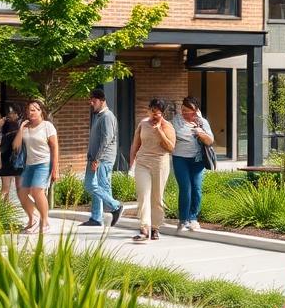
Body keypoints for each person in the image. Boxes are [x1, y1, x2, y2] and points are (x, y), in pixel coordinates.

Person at [128, 98, 175, 243]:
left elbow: (171, 147)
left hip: (160, 163)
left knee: (157, 198)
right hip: (142, 163)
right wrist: (132, 163)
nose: (154, 115)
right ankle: (144, 228)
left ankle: (155, 228)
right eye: (152, 111)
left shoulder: (168, 126)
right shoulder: (142, 124)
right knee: (143, 195)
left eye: (158, 113)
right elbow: (135, 144)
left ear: (163, 114)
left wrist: (159, 131)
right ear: (149, 110)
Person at [13, 98, 58, 234]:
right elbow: (15, 146)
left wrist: (55, 169)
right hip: (29, 165)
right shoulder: (25, 127)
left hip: (43, 164)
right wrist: (21, 128)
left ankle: (45, 222)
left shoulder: (47, 126)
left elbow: (55, 147)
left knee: (37, 191)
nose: (30, 112)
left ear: (41, 111)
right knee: (21, 193)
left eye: (33, 110)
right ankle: (33, 219)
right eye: (28, 110)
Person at [171, 96, 214, 233]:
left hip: (197, 160)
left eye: (187, 111)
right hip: (180, 158)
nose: (184, 113)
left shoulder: (202, 122)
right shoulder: (176, 121)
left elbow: (210, 141)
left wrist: (200, 133)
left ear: (195, 111)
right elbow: (169, 137)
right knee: (185, 188)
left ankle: (193, 218)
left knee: (196, 188)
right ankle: (183, 219)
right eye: (183, 110)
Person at [81, 88, 123, 228]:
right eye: (90, 100)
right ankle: (96, 218)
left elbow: (106, 139)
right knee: (94, 186)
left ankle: (115, 206)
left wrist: (97, 159)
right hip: (94, 158)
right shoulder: (98, 116)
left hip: (103, 159)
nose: (91, 103)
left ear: (102, 101)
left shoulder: (107, 116)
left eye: (94, 101)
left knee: (97, 186)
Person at [0, 104, 22, 201]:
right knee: (6, 188)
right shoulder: (4, 125)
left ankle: (4, 210)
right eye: (10, 113)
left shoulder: (20, 125)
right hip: (7, 159)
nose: (12, 115)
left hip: (16, 159)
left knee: (11, 188)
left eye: (14, 112)